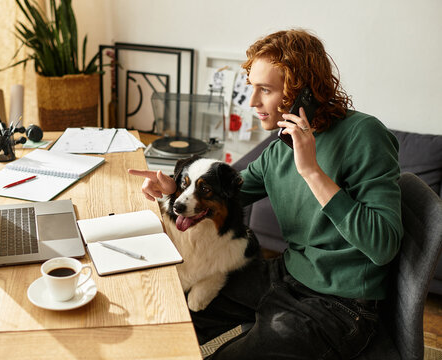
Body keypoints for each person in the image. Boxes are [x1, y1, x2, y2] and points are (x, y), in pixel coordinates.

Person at [128, 29, 403, 359]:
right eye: (251, 88)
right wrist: (177, 192)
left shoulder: (365, 135)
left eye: (266, 90)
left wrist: (312, 171)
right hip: (286, 275)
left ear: (303, 93)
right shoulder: (277, 152)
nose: (252, 102)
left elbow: (383, 245)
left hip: (340, 307)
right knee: (167, 316)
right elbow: (226, 196)